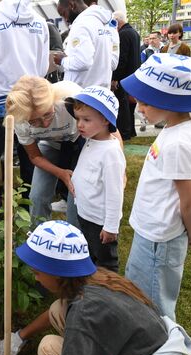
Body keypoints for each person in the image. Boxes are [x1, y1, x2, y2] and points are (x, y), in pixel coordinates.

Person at [0, 220, 191, 355]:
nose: (35, 278)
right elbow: (58, 311)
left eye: (37, 272)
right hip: (154, 350)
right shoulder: (97, 278)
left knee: (49, 348)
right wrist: (20, 335)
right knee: (57, 309)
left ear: (57, 272)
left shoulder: (85, 312)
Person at [121, 54, 191, 320]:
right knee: (138, 292)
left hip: (158, 240)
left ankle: (158, 352)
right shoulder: (176, 128)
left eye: (145, 102)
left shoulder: (179, 143)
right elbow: (185, 190)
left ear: (171, 102)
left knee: (152, 305)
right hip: (152, 232)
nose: (139, 108)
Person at [0, 0, 49, 217]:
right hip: (32, 99)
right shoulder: (40, 22)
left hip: (2, 103)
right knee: (30, 158)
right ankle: (28, 212)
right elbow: (42, 67)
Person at [6, 77, 82, 229]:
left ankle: (76, 241)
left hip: (81, 141)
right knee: (37, 197)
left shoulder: (72, 97)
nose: (45, 124)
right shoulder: (20, 119)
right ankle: (39, 240)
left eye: (47, 114)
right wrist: (60, 173)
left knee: (77, 196)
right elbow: (35, 156)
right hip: (51, 144)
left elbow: (110, 130)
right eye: (34, 121)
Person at [68, 86, 125, 272]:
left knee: (106, 263)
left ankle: (108, 294)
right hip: (85, 214)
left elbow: (115, 193)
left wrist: (110, 227)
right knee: (91, 256)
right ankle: (92, 290)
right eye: (78, 119)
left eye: (86, 119)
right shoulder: (91, 140)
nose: (80, 125)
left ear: (106, 120)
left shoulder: (111, 152)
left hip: (100, 222)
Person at [55, 0, 119, 88]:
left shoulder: (81, 24)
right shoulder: (107, 25)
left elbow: (83, 62)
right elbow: (113, 63)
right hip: (101, 92)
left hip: (81, 94)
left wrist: (62, 60)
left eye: (64, 13)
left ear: (71, 5)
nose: (65, 19)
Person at [111, 10, 140, 140]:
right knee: (130, 106)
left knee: (123, 107)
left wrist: (115, 77)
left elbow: (121, 59)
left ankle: (125, 133)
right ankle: (131, 131)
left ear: (117, 22)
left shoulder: (122, 34)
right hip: (134, 75)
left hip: (124, 77)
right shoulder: (134, 32)